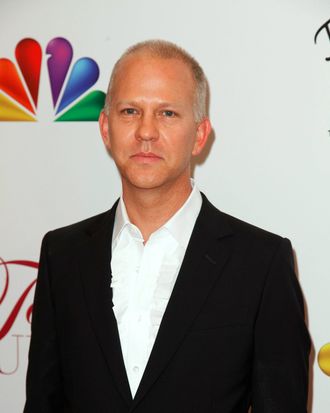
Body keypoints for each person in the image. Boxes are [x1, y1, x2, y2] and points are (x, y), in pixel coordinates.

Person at [24, 40, 310, 413]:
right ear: (106, 128)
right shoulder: (62, 254)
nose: (146, 131)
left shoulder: (261, 263)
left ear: (200, 135)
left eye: (168, 114)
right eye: (130, 111)